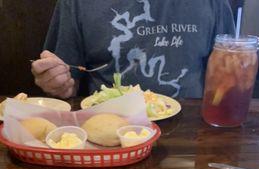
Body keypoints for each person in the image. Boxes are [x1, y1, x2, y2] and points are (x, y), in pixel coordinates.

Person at [32, 0, 234, 99]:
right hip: (111, 131)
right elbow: (68, 86)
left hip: (191, 133)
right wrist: (58, 83)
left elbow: (228, 77)